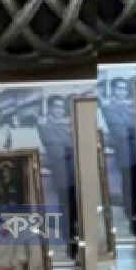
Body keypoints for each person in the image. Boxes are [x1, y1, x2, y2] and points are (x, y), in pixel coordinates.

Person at [38, 94, 79, 257]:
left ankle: (77, 244)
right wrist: (71, 145)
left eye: (62, 107)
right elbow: (56, 151)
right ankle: (70, 245)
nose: (60, 110)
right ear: (50, 108)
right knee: (67, 210)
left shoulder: (68, 125)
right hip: (62, 175)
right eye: (56, 107)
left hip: (75, 173)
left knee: (77, 210)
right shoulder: (46, 127)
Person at [100, 77, 136, 236]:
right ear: (114, 90)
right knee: (129, 186)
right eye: (119, 88)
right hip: (125, 154)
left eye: (124, 88)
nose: (122, 92)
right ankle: (132, 220)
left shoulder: (133, 105)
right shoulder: (109, 107)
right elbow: (120, 130)